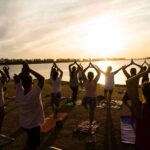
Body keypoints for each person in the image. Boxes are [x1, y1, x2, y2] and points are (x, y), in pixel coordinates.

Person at [14, 61, 45, 150]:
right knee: (33, 146)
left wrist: (23, 72)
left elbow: (17, 81)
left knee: (30, 142)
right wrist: (29, 70)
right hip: (33, 126)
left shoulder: (19, 93)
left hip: (24, 125)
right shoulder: (34, 95)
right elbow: (42, 79)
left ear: (22, 84)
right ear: (32, 83)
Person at [126, 65, 150, 150]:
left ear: (143, 92)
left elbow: (128, 82)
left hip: (141, 144)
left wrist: (146, 71)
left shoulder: (140, 107)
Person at [82, 62, 100, 132]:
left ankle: (90, 123)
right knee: (92, 112)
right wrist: (93, 66)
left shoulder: (85, 80)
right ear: (92, 76)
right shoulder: (95, 81)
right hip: (92, 98)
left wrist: (88, 66)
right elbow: (98, 73)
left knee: (84, 105)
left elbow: (83, 72)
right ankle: (90, 123)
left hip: (87, 97)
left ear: (88, 76)